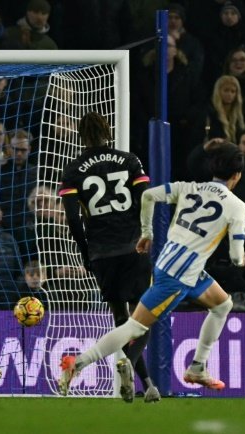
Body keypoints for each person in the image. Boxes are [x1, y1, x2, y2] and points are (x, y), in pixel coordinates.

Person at [58, 142, 245, 398]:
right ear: (237, 175)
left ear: (212, 168)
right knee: (135, 327)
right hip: (179, 276)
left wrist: (147, 232)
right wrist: (240, 258)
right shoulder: (237, 206)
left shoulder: (188, 188)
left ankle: (198, 367)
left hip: (170, 263)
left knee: (222, 305)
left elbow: (148, 195)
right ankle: (77, 364)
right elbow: (236, 257)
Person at [58, 111, 157, 403]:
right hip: (133, 247)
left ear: (81, 136)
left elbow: (73, 219)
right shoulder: (129, 161)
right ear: (108, 131)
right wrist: (146, 232)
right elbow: (145, 199)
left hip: (102, 253)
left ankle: (148, 384)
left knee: (120, 318)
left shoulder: (74, 169)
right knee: (144, 317)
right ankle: (138, 372)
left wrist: (86, 251)